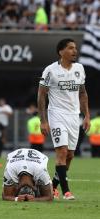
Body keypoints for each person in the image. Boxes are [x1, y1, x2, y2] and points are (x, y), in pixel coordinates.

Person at [38, 38, 91, 200]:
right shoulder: (51, 70)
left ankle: (53, 186)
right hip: (57, 114)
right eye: (70, 48)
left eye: (75, 48)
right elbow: (41, 94)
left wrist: (87, 115)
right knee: (61, 151)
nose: (75, 51)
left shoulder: (79, 69)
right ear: (61, 51)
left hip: (74, 116)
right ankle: (66, 191)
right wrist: (43, 120)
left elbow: (82, 93)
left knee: (70, 155)